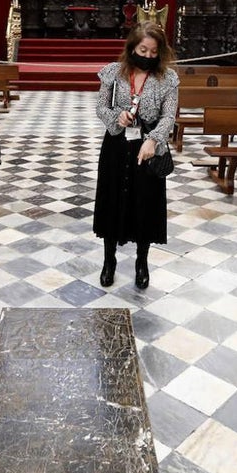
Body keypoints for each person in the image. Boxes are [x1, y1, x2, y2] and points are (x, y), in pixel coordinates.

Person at [93, 21, 179, 290]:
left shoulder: (168, 78)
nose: (148, 56)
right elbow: (100, 107)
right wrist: (117, 116)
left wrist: (154, 139)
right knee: (112, 200)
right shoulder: (113, 72)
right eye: (143, 50)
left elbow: (169, 116)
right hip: (117, 145)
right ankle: (109, 260)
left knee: (146, 203)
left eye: (154, 52)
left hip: (149, 148)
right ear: (132, 47)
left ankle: (142, 262)